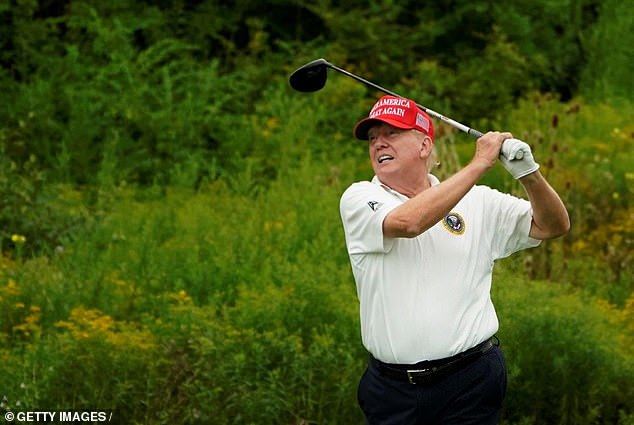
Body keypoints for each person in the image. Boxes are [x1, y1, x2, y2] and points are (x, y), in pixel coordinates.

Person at [339, 95, 570, 425]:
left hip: (470, 381)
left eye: (391, 133)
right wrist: (479, 164)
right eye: (373, 138)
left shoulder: (479, 201)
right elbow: (409, 223)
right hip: (393, 390)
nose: (378, 144)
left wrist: (529, 174)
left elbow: (553, 225)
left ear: (423, 145)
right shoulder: (360, 197)